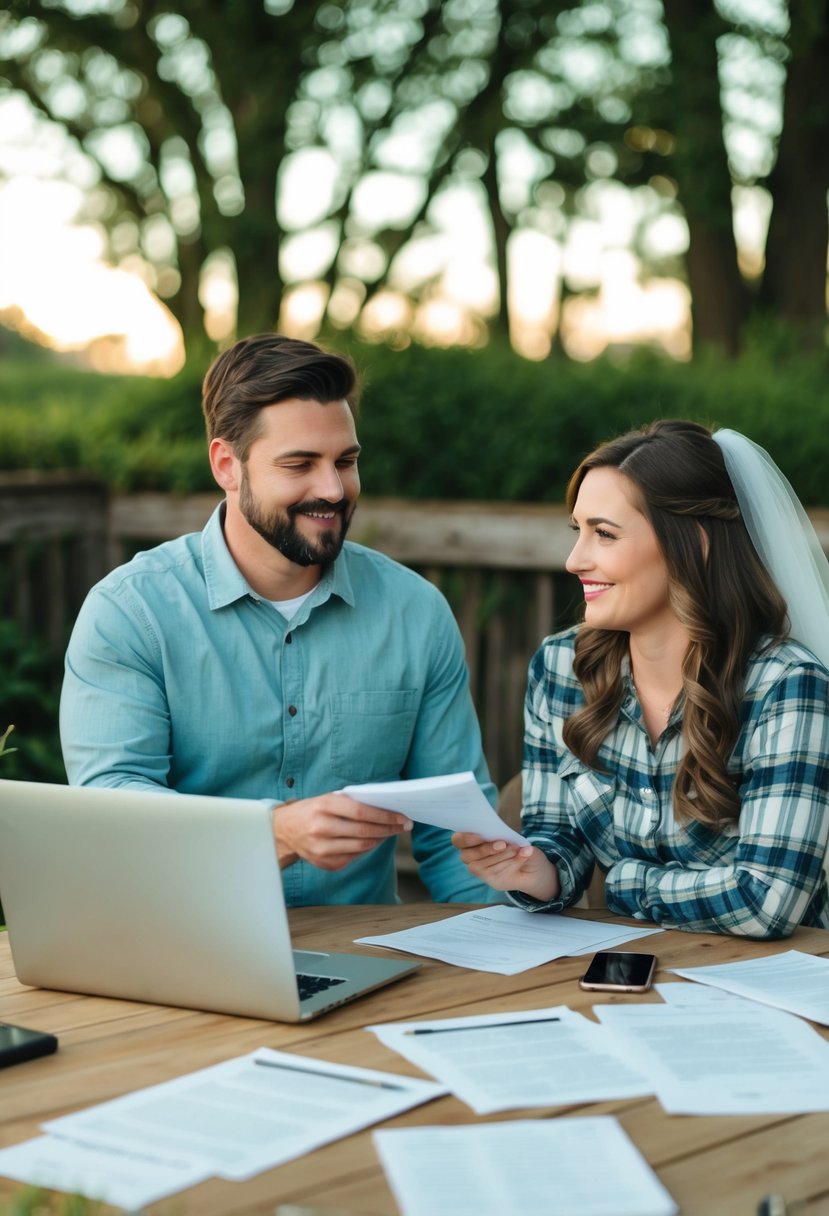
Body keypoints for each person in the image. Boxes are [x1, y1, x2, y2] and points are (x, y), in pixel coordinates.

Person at [60, 332, 495, 906]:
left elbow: (455, 838)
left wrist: (506, 952)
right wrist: (271, 832)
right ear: (227, 465)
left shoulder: (416, 613)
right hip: (182, 949)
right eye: (300, 464)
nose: (334, 489)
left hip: (366, 963)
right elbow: (111, 810)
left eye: (346, 461)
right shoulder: (131, 613)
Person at [454, 419, 829, 937]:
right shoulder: (560, 668)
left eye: (604, 534)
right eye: (577, 531)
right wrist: (536, 872)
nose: (574, 560)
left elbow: (768, 901)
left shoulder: (786, 686)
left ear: (692, 544)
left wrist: (625, 885)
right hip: (631, 972)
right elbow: (556, 837)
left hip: (773, 984)